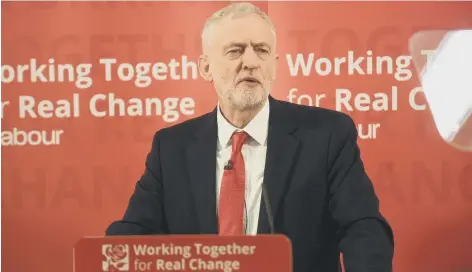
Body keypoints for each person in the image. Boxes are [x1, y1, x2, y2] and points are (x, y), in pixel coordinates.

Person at [106, 2, 394, 271]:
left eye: (262, 50)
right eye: (235, 50)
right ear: (206, 67)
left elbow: (364, 229)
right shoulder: (171, 148)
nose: (251, 62)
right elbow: (135, 234)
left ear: (275, 65)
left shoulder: (327, 135)